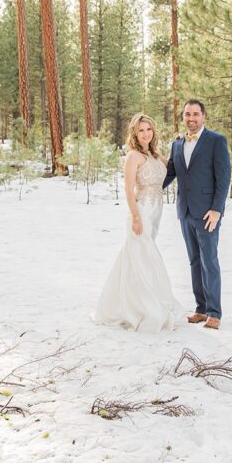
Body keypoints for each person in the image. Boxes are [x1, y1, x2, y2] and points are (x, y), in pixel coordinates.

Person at [93, 114, 178, 332]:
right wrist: (136, 217)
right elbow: (129, 190)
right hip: (141, 210)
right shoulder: (133, 156)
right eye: (141, 130)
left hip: (157, 210)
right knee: (143, 256)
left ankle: (126, 300)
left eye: (148, 129)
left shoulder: (155, 155)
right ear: (135, 133)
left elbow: (176, 169)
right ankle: (143, 307)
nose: (145, 133)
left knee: (137, 256)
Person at [163, 100, 231, 330]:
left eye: (195, 114)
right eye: (187, 114)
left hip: (207, 213)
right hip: (185, 211)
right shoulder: (177, 144)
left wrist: (217, 209)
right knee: (194, 261)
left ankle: (214, 312)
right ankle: (201, 309)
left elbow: (223, 178)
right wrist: (149, 186)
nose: (191, 118)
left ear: (203, 116)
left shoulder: (216, 141)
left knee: (209, 260)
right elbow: (170, 173)